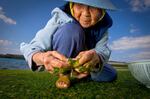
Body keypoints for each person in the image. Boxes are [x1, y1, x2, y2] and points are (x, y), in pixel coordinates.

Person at [20, 0, 117, 88]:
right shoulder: (59, 18)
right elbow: (34, 47)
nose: (86, 13)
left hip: (86, 63)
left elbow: (102, 50)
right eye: (80, 5)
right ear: (72, 5)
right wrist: (41, 57)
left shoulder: (103, 28)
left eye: (94, 7)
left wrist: (96, 58)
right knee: (71, 30)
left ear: (102, 12)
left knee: (111, 74)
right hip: (64, 58)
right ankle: (64, 74)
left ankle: (82, 73)